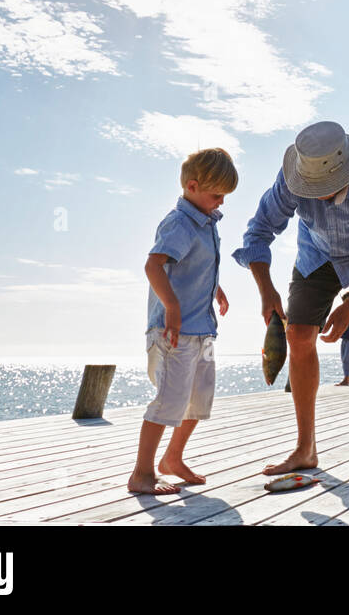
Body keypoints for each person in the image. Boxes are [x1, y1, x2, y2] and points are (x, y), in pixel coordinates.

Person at [233, 121, 349, 478]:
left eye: (326, 186)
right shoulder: (290, 181)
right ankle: (305, 448)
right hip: (318, 255)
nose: (319, 193)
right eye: (312, 187)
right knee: (297, 336)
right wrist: (266, 289)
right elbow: (257, 234)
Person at [128, 148, 237, 494]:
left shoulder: (206, 223)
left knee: (198, 399)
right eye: (216, 195)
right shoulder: (179, 223)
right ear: (192, 186)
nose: (221, 202)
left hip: (201, 329)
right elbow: (153, 265)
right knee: (170, 400)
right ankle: (141, 473)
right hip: (175, 331)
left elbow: (196, 266)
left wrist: (215, 290)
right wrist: (171, 307)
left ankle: (172, 458)